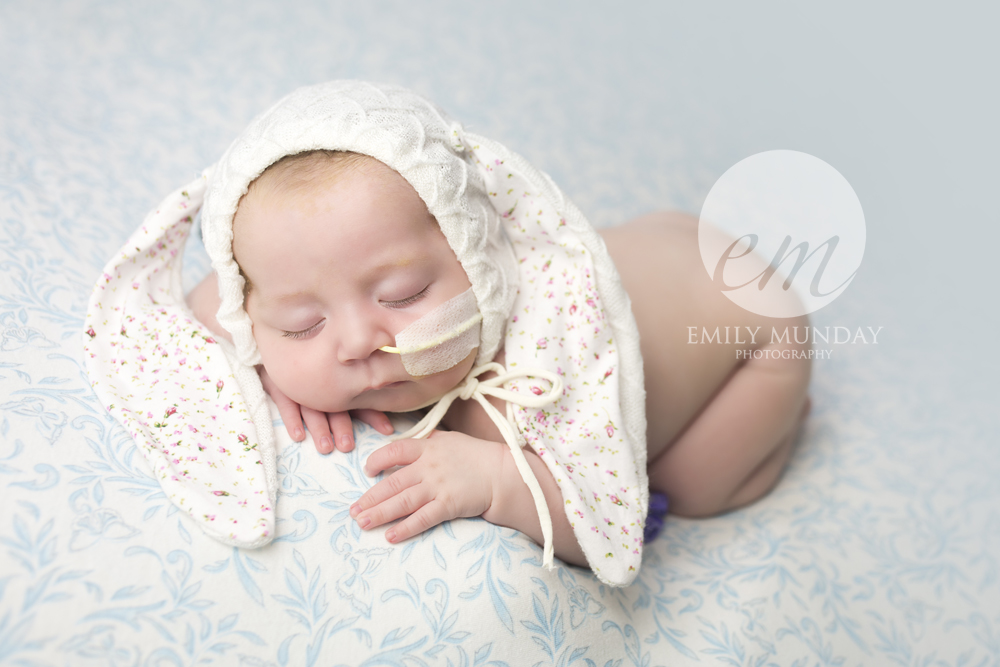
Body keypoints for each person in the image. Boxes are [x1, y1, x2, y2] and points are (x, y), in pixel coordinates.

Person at [188, 145, 812, 572]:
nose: (353, 343)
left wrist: (500, 480)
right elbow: (208, 300)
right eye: (304, 323)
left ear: (481, 263)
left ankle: (790, 418)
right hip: (658, 245)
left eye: (402, 296)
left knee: (690, 488)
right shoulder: (300, 271)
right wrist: (270, 360)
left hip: (756, 321)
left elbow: (605, 518)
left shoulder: (533, 383)